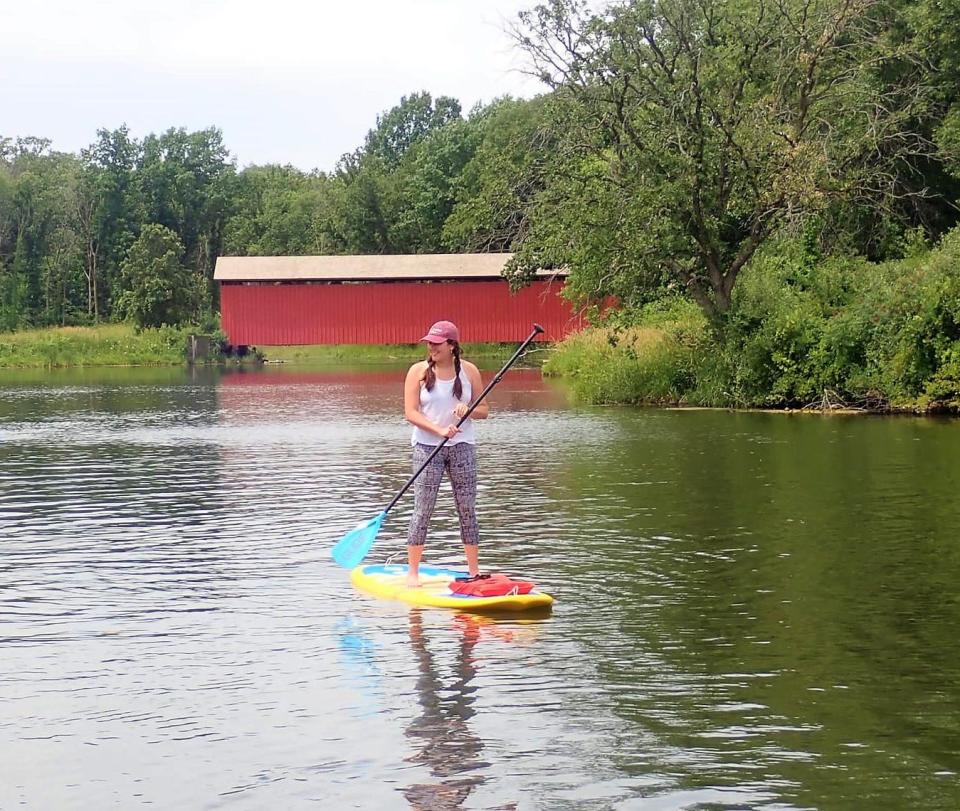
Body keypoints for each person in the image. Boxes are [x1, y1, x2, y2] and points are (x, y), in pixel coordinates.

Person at [403, 320, 488, 587]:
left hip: (463, 447)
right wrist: (438, 430)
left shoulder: (469, 371)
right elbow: (411, 412)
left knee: (467, 509)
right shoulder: (417, 371)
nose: (431, 347)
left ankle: (473, 572)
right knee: (423, 509)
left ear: (452, 345)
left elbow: (484, 410)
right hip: (427, 448)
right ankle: (413, 574)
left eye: (437, 343)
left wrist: (468, 410)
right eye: (429, 343)